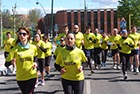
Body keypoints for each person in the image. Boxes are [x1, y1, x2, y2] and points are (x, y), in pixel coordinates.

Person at [5, 27, 38, 94]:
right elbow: (6, 64)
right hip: (20, 77)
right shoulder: (15, 49)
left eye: (24, 34)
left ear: (28, 35)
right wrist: (11, 62)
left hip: (31, 75)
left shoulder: (33, 47)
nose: (22, 35)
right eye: (20, 34)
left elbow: (36, 57)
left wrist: (35, 62)